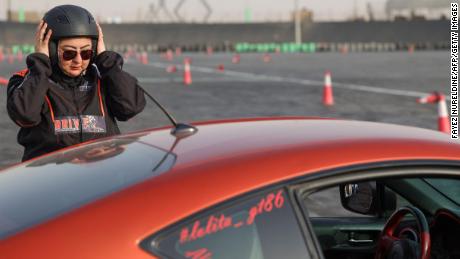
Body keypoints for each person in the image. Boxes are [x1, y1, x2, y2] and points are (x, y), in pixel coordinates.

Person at [6, 5, 146, 162]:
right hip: (50, 177)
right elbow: (25, 115)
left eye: (86, 53)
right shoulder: (26, 80)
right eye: (69, 53)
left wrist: (107, 61)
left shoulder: (103, 77)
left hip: (103, 173)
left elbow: (130, 107)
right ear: (51, 50)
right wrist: (40, 67)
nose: (78, 60)